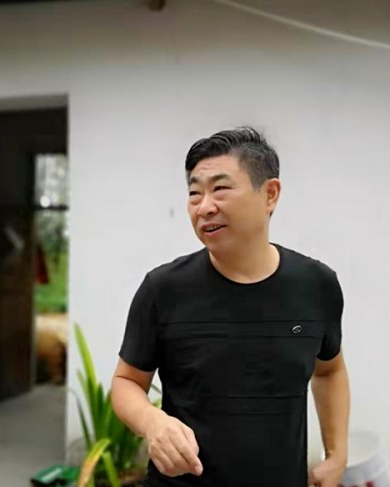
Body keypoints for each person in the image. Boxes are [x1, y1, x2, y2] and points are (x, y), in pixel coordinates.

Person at [111, 128, 350, 487]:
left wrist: (337, 454)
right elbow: (126, 382)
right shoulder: (164, 289)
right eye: (194, 193)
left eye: (220, 189)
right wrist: (152, 423)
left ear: (270, 194)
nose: (204, 207)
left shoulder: (317, 285)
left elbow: (329, 371)